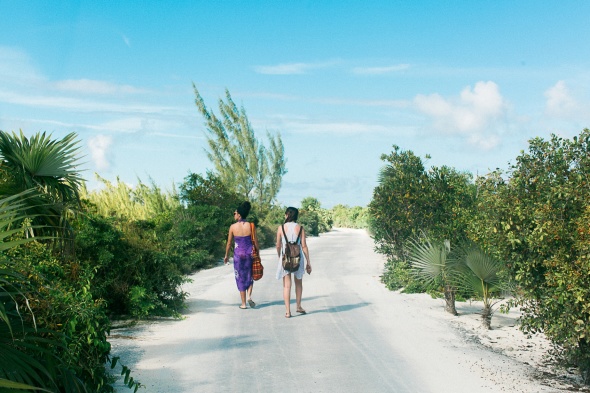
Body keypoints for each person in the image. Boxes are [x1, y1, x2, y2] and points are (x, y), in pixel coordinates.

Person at [276, 206, 312, 318]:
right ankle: (298, 306)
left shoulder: (281, 228)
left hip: (285, 257)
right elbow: (304, 246)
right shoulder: (300, 228)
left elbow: (278, 245)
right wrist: (308, 262)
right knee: (298, 283)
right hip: (298, 257)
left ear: (287, 215)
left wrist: (279, 257)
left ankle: (288, 311)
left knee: (287, 286)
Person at [224, 201, 259, 309]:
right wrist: (258, 254)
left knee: (240, 277)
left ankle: (243, 304)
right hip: (250, 254)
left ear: (239, 214)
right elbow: (256, 242)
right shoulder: (251, 226)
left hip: (238, 255)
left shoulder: (233, 227)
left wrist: (226, 256)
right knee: (250, 275)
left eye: (235, 213)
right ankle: (249, 296)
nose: (234, 215)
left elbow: (229, 243)